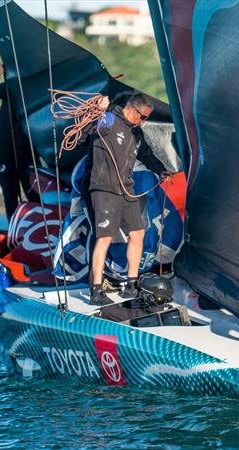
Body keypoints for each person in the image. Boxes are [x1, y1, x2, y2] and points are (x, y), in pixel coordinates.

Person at [87, 93, 171, 306]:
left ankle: (131, 285)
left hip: (126, 191)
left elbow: (147, 155)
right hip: (105, 189)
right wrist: (97, 110)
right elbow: (87, 129)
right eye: (142, 117)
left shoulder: (136, 134)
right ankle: (96, 289)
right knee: (104, 238)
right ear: (132, 109)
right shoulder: (109, 119)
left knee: (138, 233)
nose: (143, 122)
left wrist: (161, 171)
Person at [0, 63, 34, 219]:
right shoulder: (11, 87)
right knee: (10, 194)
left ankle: (39, 227)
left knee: (33, 192)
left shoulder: (36, 89)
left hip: (26, 150)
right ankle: (13, 228)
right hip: (4, 148)